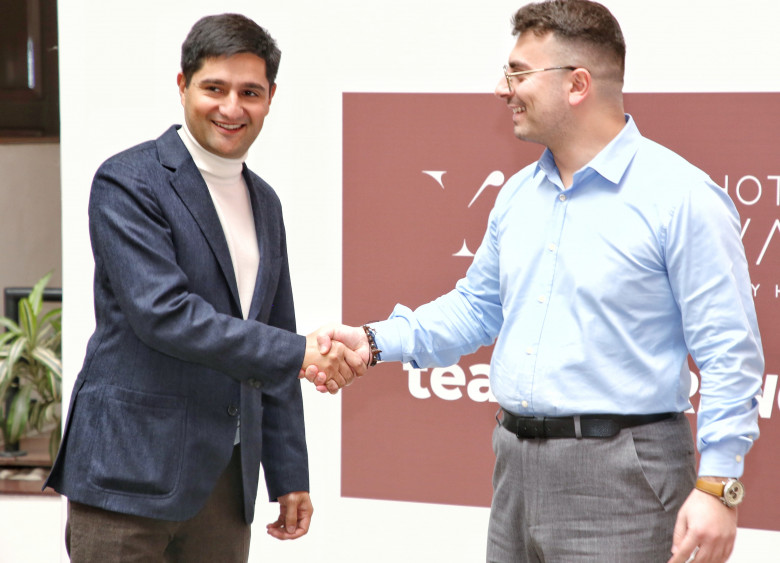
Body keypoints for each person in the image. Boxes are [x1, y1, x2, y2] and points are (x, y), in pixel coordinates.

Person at [307, 1, 764, 561]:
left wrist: (718, 486)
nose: (503, 89)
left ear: (577, 84)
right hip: (514, 469)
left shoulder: (682, 198)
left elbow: (729, 352)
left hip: (624, 477)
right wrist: (373, 340)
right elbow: (477, 308)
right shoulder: (518, 195)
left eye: (519, 73)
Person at [44, 13, 364, 562]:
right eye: (214, 88)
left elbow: (273, 331)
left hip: (223, 484)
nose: (232, 108)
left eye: (250, 92)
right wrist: (302, 351)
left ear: (271, 98)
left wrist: (288, 472)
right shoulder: (128, 181)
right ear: (183, 85)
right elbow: (163, 314)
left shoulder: (266, 203)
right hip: (127, 475)